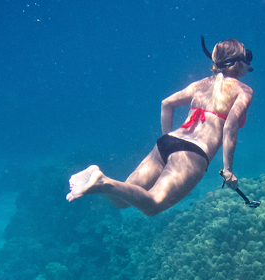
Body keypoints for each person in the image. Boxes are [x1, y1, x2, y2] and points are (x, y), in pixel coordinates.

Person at [66, 37, 253, 216]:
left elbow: (166, 103)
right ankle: (101, 181)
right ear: (237, 63)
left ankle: (99, 180)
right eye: (247, 56)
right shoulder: (243, 90)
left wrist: (169, 141)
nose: (248, 61)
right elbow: (229, 127)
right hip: (194, 153)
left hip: (168, 142)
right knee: (153, 205)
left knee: (119, 201)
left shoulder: (200, 84)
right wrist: (228, 170)